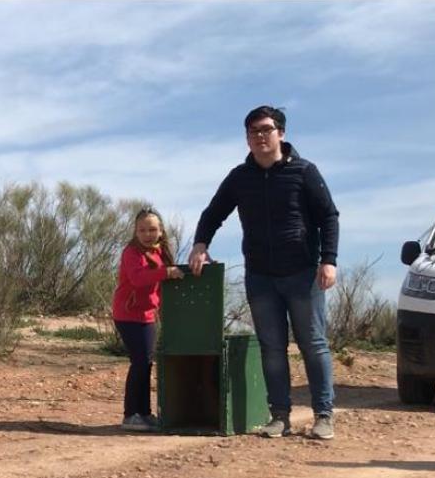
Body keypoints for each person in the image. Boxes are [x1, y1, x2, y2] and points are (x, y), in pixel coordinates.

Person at [188, 105, 340, 440]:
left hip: (302, 273)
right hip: (261, 277)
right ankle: (280, 416)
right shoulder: (239, 178)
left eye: (266, 130)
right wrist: (200, 244)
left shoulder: (304, 171)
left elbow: (329, 216)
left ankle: (324, 416)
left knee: (312, 344)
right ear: (247, 138)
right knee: (271, 348)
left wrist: (328, 260)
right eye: (253, 131)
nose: (260, 136)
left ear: (281, 133)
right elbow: (213, 212)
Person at [112, 209, 184, 432]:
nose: (147, 234)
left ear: (161, 231)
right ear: (135, 231)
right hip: (127, 314)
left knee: (146, 363)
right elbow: (138, 278)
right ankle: (130, 414)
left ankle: (143, 413)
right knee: (140, 362)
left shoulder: (160, 252)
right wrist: (166, 273)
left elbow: (159, 289)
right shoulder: (131, 252)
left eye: (152, 229)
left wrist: (163, 311)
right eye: (142, 230)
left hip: (147, 315)